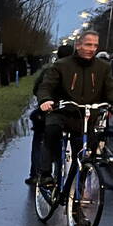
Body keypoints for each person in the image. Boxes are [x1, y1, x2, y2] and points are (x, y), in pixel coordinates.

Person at [34, 30, 113, 188]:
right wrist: (46, 100)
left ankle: (78, 189)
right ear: (78, 45)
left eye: (95, 45)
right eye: (88, 44)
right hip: (61, 111)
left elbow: (110, 88)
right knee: (51, 132)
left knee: (86, 151)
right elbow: (46, 86)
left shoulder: (103, 67)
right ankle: (45, 173)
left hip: (86, 116)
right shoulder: (61, 65)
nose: (92, 49)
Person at [25, 44, 73, 184]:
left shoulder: (49, 70)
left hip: (48, 112)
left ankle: (36, 174)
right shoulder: (76, 72)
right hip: (68, 113)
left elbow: (37, 89)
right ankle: (61, 176)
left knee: (40, 141)